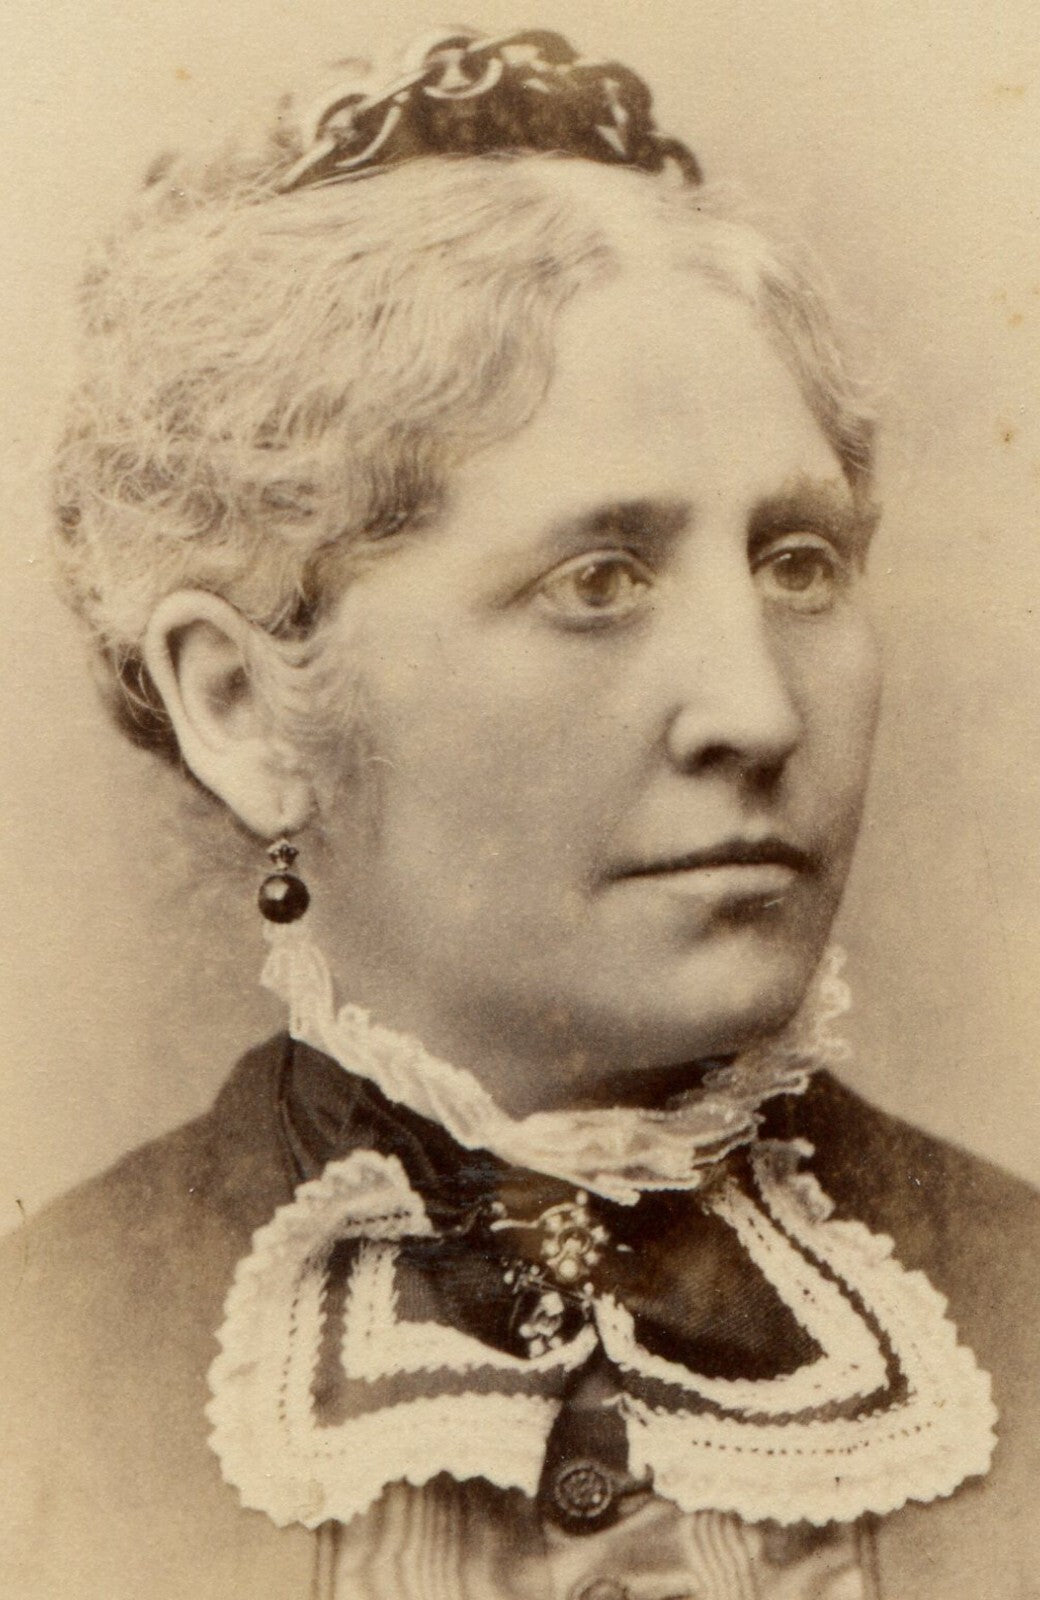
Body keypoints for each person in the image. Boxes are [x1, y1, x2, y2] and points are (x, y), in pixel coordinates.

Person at [2, 25, 1037, 1600]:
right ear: (243, 704)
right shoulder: (38, 1373)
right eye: (599, 581)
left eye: (799, 563)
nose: (757, 710)